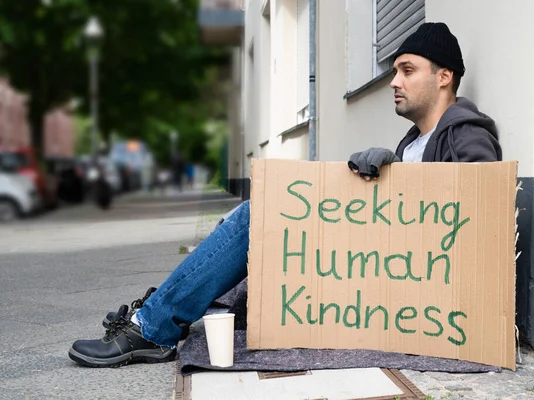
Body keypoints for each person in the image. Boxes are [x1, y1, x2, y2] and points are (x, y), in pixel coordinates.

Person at [68, 22, 501, 368]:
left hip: (413, 283)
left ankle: (152, 328)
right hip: (387, 265)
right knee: (258, 218)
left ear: (444, 77)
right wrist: (387, 171)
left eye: (407, 70)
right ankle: (169, 310)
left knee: (258, 216)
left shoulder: (466, 129)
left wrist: (402, 181)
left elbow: (478, 200)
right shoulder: (412, 143)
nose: (394, 81)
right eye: (392, 71)